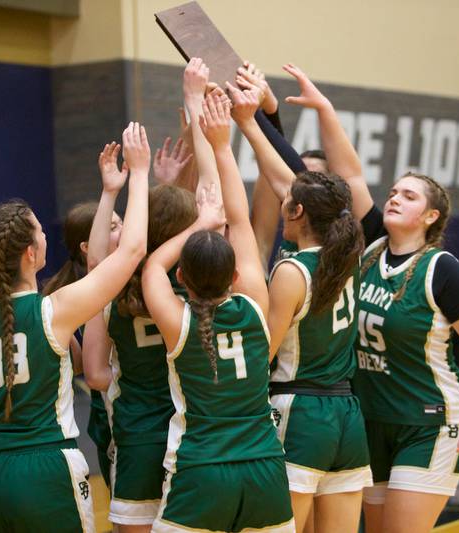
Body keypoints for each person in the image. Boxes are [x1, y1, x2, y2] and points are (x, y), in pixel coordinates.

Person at [280, 64, 459, 533]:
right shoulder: (372, 244)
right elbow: (351, 173)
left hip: (430, 423)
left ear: (431, 216)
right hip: (372, 418)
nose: (395, 198)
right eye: (394, 191)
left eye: (410, 196)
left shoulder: (443, 269)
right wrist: (324, 110)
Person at [0, 121, 150, 532]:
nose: (45, 236)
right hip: (44, 470)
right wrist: (139, 173)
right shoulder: (54, 310)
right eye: (40, 230)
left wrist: (109, 191)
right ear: (31, 254)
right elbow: (132, 251)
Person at [141, 92, 293, 532]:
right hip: (265, 468)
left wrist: (199, 223)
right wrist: (223, 145)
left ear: (182, 279)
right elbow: (242, 222)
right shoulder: (254, 305)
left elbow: (152, 265)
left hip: (202, 468)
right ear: (235, 278)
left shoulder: (178, 322)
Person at [226, 76, 371, 532]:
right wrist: (250, 124)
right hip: (348, 415)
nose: (281, 199)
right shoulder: (351, 253)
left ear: (298, 213)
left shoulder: (292, 271)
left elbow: (262, 354)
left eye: (287, 202)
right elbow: (281, 178)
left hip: (300, 410)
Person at [82, 144, 198, 530]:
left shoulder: (114, 293)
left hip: (138, 436)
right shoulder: (201, 292)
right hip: (193, 438)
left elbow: (96, 376)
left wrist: (112, 190)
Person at [42, 200, 122, 492]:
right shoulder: (70, 295)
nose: (123, 230)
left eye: (121, 222)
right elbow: (81, 365)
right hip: (111, 406)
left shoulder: (133, 273)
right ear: (87, 247)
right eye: (113, 227)